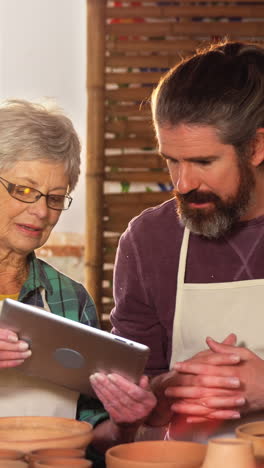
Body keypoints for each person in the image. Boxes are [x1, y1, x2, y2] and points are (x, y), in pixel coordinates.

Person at [110, 39, 264, 442]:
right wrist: (159, 393)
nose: (182, 184)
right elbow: (135, 396)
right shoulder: (148, 240)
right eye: (171, 160)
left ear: (257, 147)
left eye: (202, 162)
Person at [0, 99, 156, 464]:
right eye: (24, 190)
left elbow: (93, 434)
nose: (41, 211)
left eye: (55, 198)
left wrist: (125, 423)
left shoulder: (71, 299)